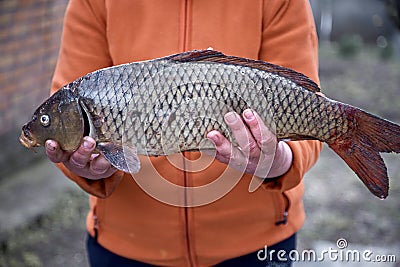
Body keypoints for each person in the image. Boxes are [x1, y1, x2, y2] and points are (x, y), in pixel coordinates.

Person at [45, 0, 322, 266]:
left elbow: (309, 109)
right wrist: (84, 167)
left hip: (257, 245)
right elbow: (66, 116)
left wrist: (280, 162)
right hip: (126, 247)